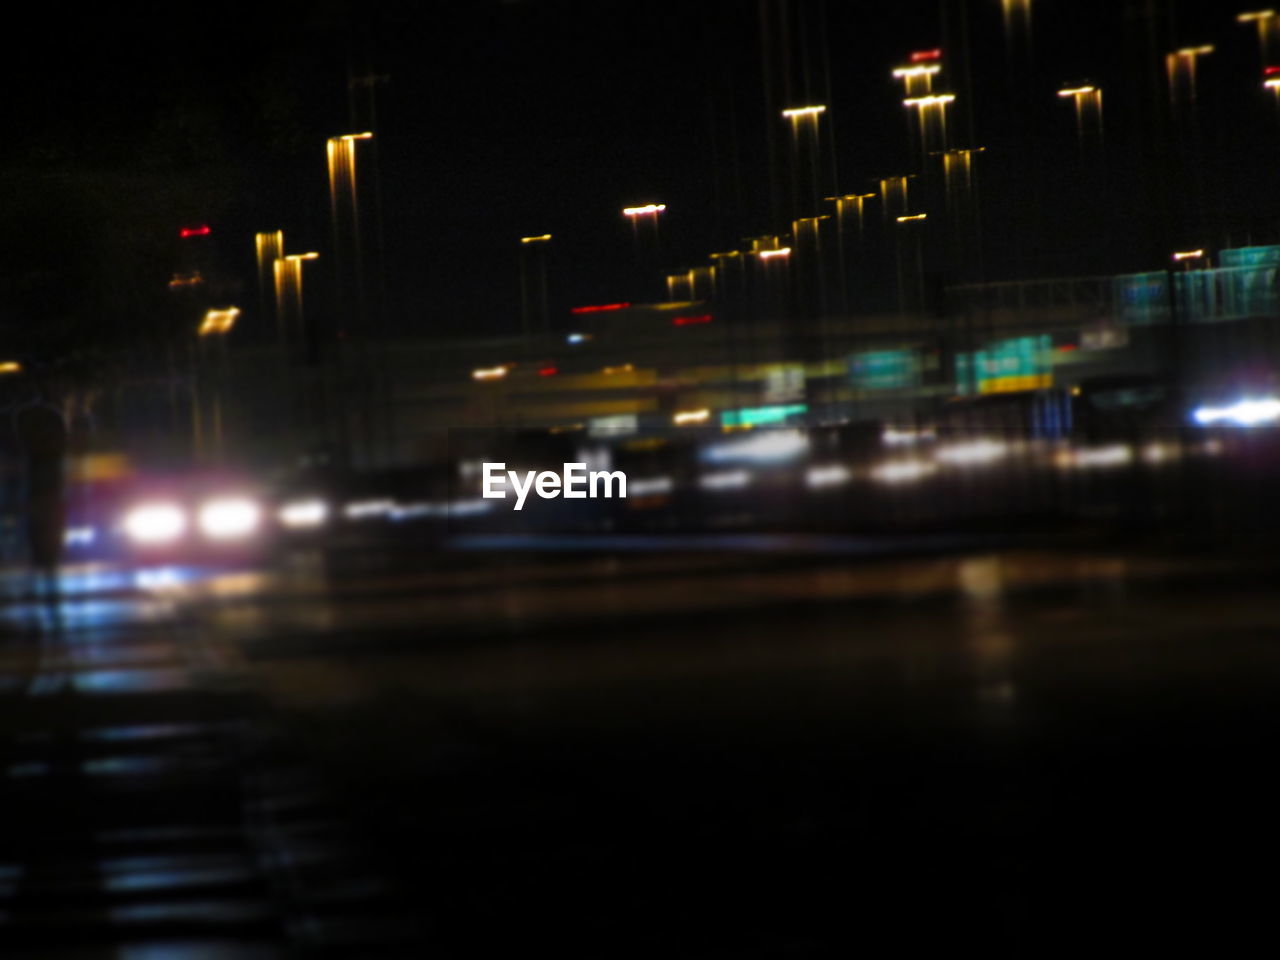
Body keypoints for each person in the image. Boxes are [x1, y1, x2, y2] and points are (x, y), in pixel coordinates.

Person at [14, 375, 68, 597]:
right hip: (41, 479)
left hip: (41, 479)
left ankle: (44, 566)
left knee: (41, 526)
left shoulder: (26, 415)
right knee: (42, 527)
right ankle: (45, 566)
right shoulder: (45, 416)